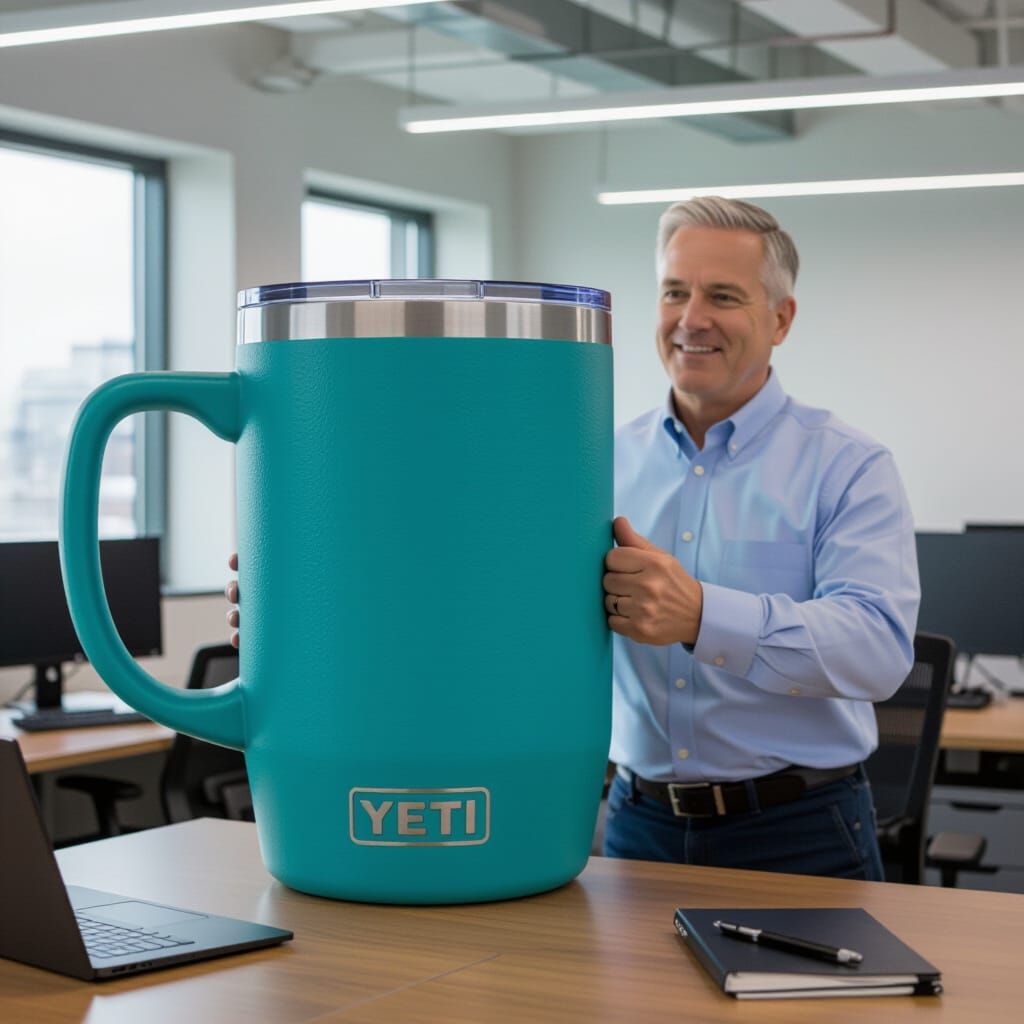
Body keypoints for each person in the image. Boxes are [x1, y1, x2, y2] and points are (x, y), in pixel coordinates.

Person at [600, 196, 919, 880]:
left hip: (800, 832)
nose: (691, 319)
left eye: (722, 295)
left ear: (781, 319)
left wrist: (703, 617)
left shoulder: (848, 465)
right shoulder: (599, 461)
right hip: (634, 821)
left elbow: (877, 649)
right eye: (674, 292)